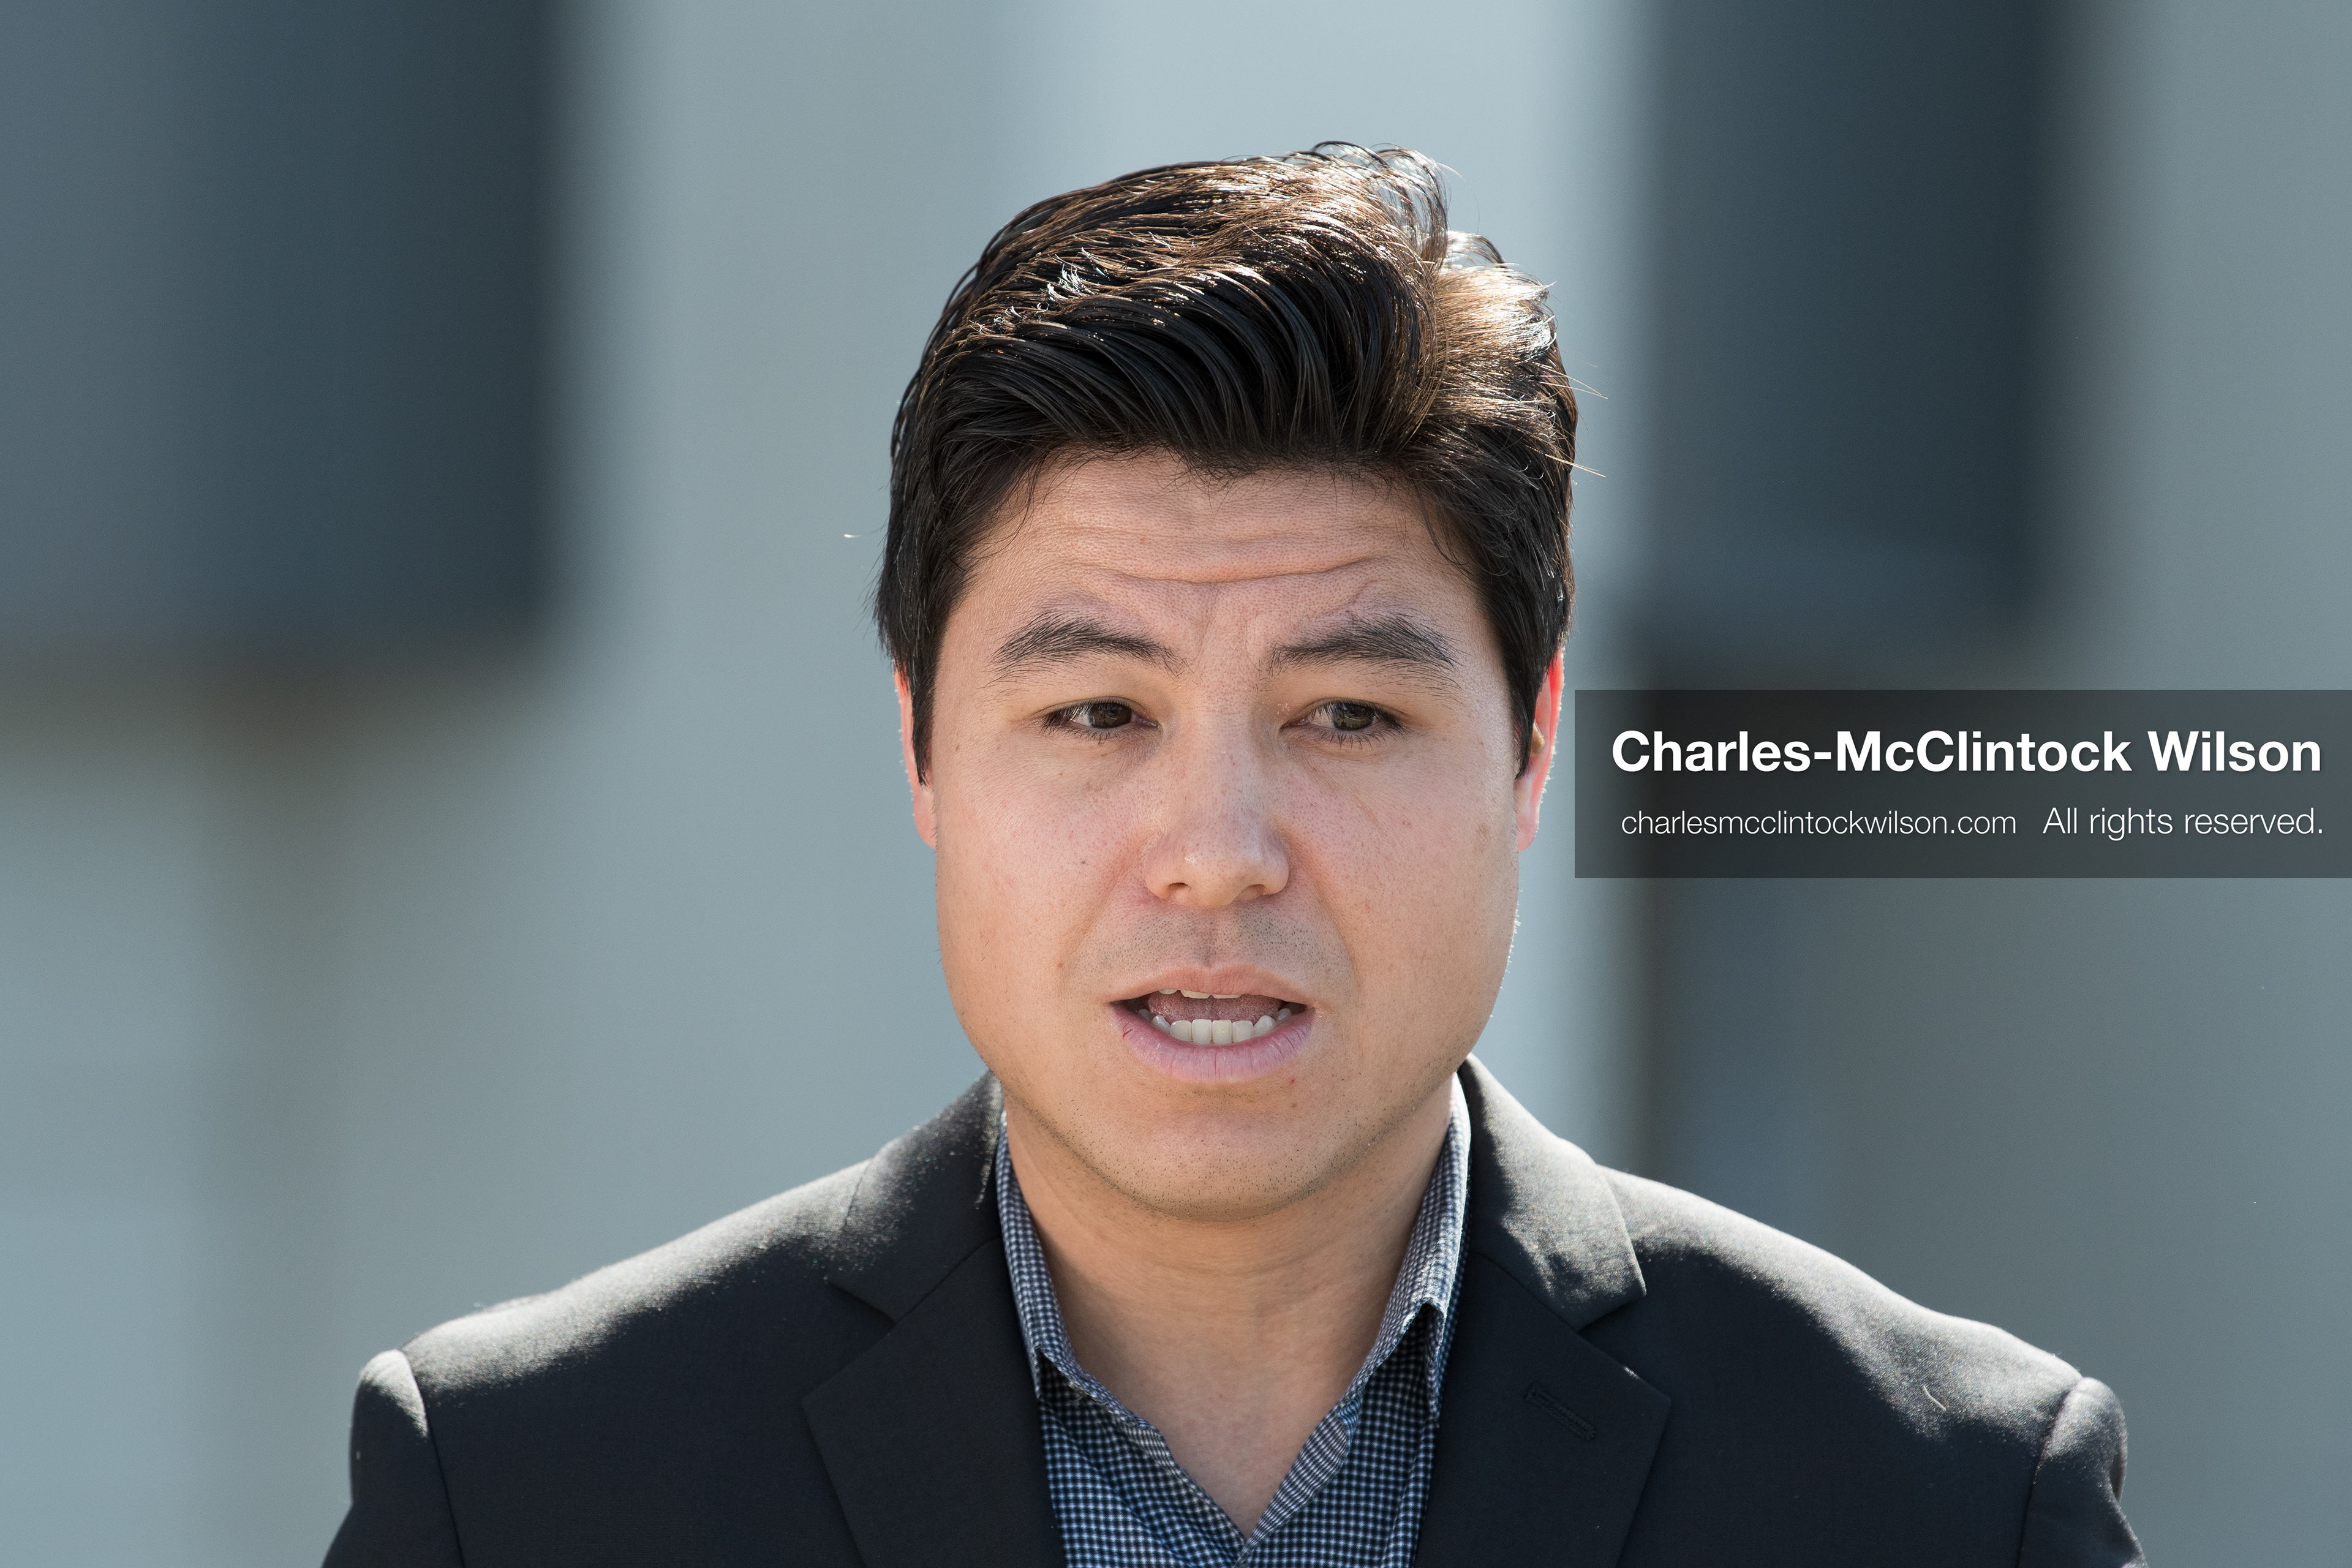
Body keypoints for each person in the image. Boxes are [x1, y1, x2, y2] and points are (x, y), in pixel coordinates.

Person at [323, 146, 2142, 1567]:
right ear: (924, 752)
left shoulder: (1944, 1499)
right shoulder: (530, 1491)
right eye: (1098, 715)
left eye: (1348, 717)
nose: (1215, 857)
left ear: (1527, 751)